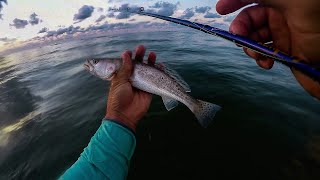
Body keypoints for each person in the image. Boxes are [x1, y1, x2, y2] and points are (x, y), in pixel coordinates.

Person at [60, 0, 320, 179]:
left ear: (112, 66)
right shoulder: (119, 74)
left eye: (95, 63)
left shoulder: (120, 70)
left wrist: (120, 117)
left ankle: (196, 106)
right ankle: (195, 105)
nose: (91, 65)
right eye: (93, 64)